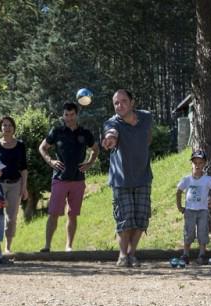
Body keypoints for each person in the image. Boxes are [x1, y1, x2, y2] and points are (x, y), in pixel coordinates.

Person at [38, 101, 99, 252]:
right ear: (63, 115)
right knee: (53, 214)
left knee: (72, 215)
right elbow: (42, 147)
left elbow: (96, 149)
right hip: (60, 179)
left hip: (78, 179)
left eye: (72, 115)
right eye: (66, 115)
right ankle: (47, 246)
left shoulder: (85, 133)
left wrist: (89, 164)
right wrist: (50, 161)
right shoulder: (56, 131)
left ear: (77, 115)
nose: (69, 118)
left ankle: (69, 246)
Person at [102, 89, 153, 268]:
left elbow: (148, 136)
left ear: (132, 103)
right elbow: (111, 132)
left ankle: (132, 254)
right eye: (116, 103)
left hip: (143, 177)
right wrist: (110, 139)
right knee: (125, 219)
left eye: (123, 101)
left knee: (141, 219)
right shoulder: (112, 122)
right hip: (121, 180)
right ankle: (122, 255)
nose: (119, 105)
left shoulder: (146, 117)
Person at [0, 116, 28, 254]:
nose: (7, 128)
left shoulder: (20, 145)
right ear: (1, 128)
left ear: (14, 127)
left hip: (15, 184)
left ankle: (7, 247)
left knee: (11, 218)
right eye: (4, 125)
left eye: (10, 125)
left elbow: (24, 167)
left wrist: (24, 187)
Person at [176, 150, 211, 265]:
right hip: (189, 210)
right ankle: (185, 254)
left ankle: (202, 254)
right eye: (195, 162)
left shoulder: (207, 179)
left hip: (202, 211)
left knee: (202, 231)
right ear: (191, 163)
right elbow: (179, 191)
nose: (197, 165)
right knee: (188, 232)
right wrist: (180, 206)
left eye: (200, 163)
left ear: (204, 164)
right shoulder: (186, 179)